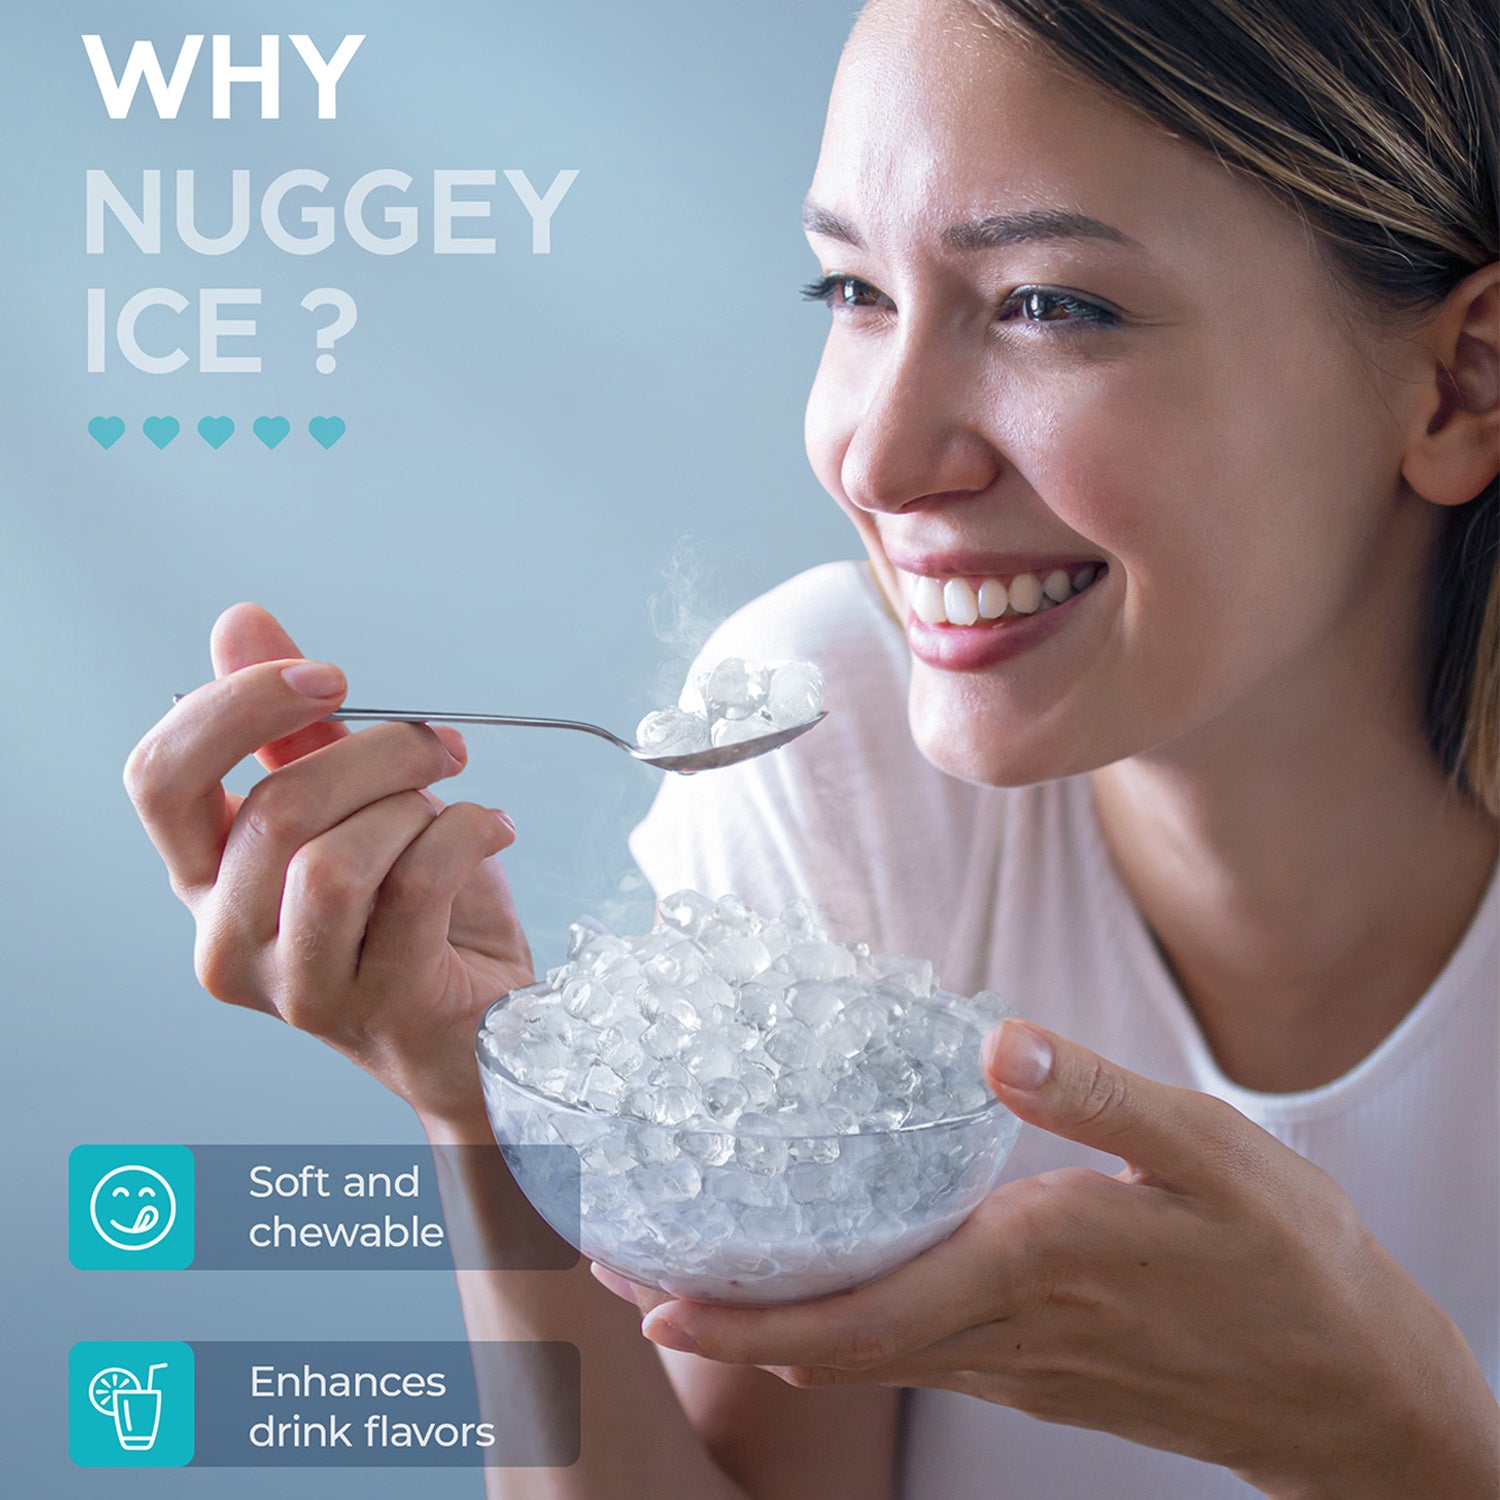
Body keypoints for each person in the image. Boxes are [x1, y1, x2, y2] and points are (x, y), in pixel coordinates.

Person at [124, 0, 1498, 1495]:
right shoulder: (833, 744)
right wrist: (490, 1106)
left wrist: (1393, 1441)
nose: (878, 454)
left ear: (1461, 383)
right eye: (850, 289)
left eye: (1049, 304)